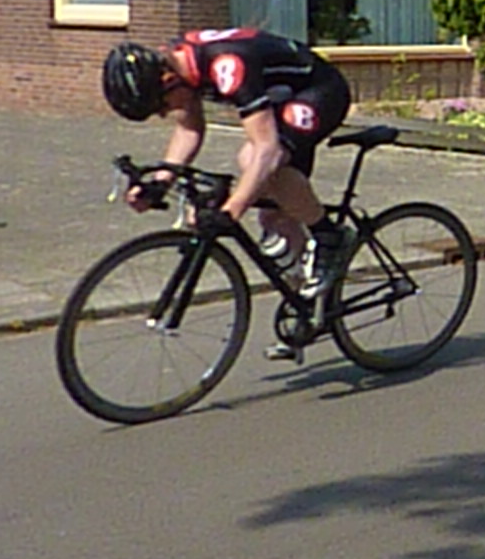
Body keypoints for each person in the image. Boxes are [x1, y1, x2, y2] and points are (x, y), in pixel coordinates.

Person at [102, 30, 354, 353]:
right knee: (275, 222)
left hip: (319, 91)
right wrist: (160, 182)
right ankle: (306, 311)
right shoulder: (181, 69)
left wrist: (231, 210)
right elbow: (189, 128)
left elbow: (267, 150)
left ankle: (330, 236)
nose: (164, 113)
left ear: (167, 79)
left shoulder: (228, 65)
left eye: (161, 105)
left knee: (254, 161)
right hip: (281, 100)